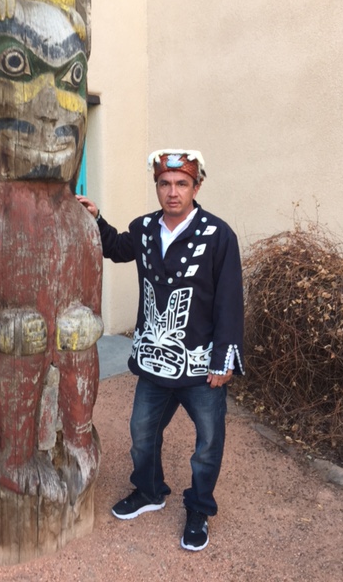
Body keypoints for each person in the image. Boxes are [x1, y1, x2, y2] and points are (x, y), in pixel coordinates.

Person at [77, 149, 244, 552]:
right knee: (141, 433)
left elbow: (229, 301)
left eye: (181, 184)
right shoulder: (147, 228)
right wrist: (96, 220)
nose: (173, 192)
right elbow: (117, 247)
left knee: (207, 443)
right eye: (165, 184)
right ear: (157, 187)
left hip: (201, 365)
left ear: (196, 186)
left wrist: (225, 358)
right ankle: (150, 491)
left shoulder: (218, 235)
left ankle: (199, 508)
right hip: (155, 362)